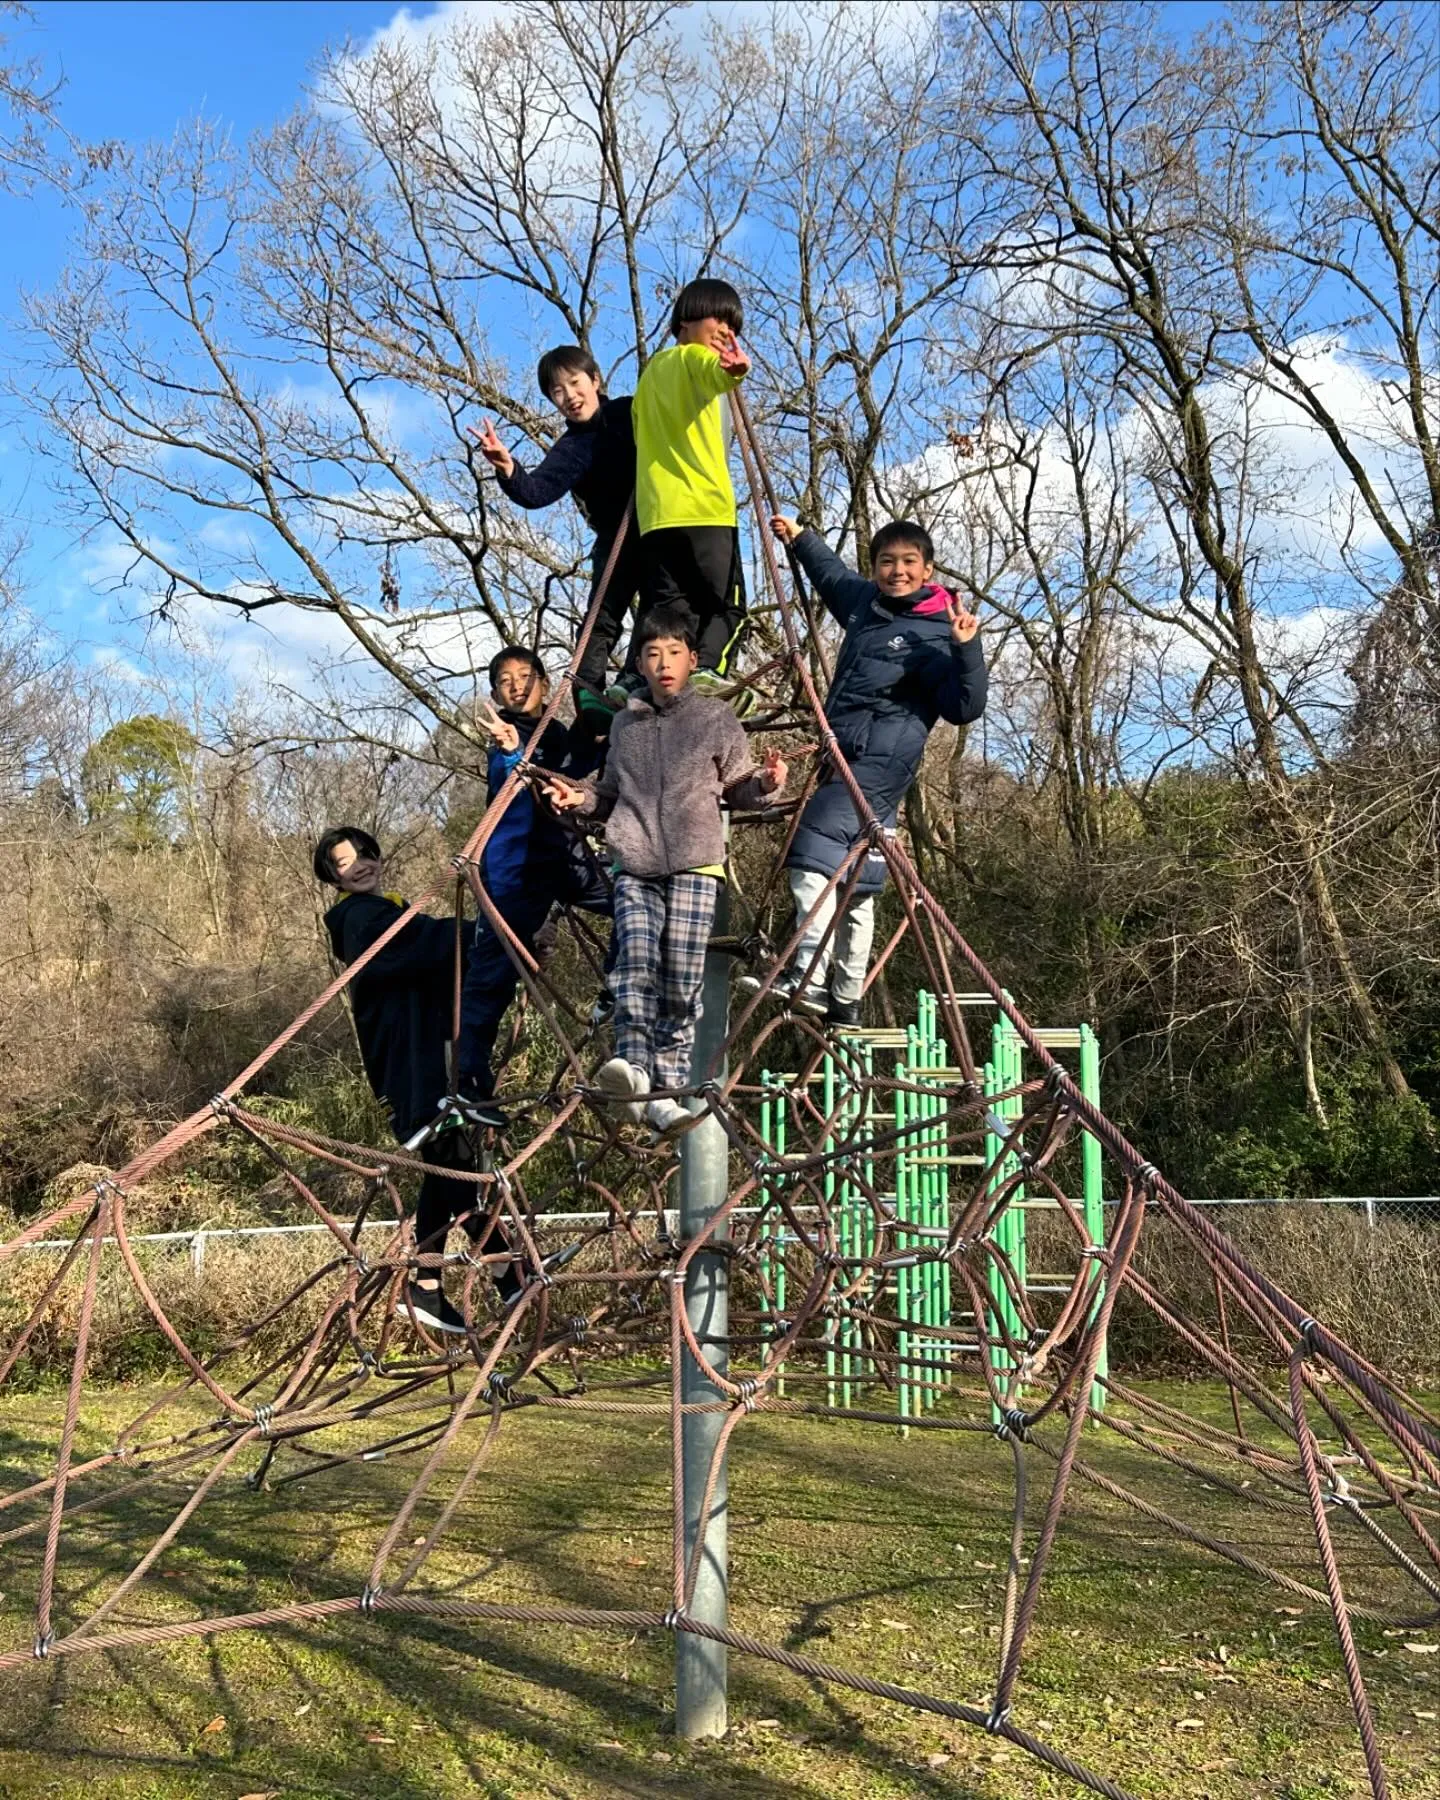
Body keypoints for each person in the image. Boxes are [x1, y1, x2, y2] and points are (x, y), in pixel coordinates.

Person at [541, 604, 786, 1136]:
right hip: (635, 860)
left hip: (697, 863)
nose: (663, 662)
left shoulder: (715, 719)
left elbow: (739, 787)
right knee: (633, 961)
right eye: (652, 654)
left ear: (692, 659)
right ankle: (633, 1070)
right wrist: (576, 796)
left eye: (673, 652)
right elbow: (607, 794)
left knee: (680, 981)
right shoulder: (626, 725)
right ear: (642, 664)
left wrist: (767, 783)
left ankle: (667, 1093)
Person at [738, 516, 987, 1026]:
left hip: (878, 757)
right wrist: (801, 538)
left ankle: (806, 974)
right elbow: (830, 575)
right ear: (874, 568)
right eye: (886, 562)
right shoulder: (867, 606)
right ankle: (845, 999)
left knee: (813, 848)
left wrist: (965, 649)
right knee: (857, 880)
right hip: (849, 754)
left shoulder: (935, 633)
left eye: (908, 563)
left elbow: (964, 706)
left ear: (928, 569)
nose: (897, 571)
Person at [315, 825, 501, 1335]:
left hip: (421, 1054)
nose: (359, 865)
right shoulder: (359, 919)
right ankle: (491, 1273)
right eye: (344, 862)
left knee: (452, 1164)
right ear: (333, 876)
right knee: (453, 1162)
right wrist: (485, 930)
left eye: (363, 855)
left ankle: (443, 1282)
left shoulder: (383, 911)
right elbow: (415, 945)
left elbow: (426, 950)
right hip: (414, 1060)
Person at [454, 646, 614, 1111]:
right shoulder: (507, 737)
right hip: (515, 870)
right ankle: (469, 1083)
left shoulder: (558, 733)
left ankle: (617, 983)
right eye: (506, 681)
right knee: (492, 977)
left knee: (632, 899)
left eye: (525, 676)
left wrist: (614, 727)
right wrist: (508, 750)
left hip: (563, 855)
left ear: (544, 682)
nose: (517, 686)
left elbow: (581, 763)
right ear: (496, 694)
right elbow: (508, 779)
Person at [471, 346, 638, 735]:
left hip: (657, 527)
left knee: (658, 610)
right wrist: (508, 466)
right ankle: (589, 695)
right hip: (616, 538)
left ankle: (636, 678)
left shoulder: (631, 412)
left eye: (575, 383)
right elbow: (536, 491)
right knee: (601, 617)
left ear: (595, 380)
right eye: (558, 392)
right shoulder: (572, 447)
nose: (570, 396)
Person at [628, 278, 751, 696]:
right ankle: (709, 670)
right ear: (686, 319)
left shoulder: (648, 379)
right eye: (718, 317)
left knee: (669, 616)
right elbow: (708, 368)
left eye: (733, 326)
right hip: (705, 512)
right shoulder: (691, 359)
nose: (726, 331)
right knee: (729, 607)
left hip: (657, 518)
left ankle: (640, 681)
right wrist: (732, 369)